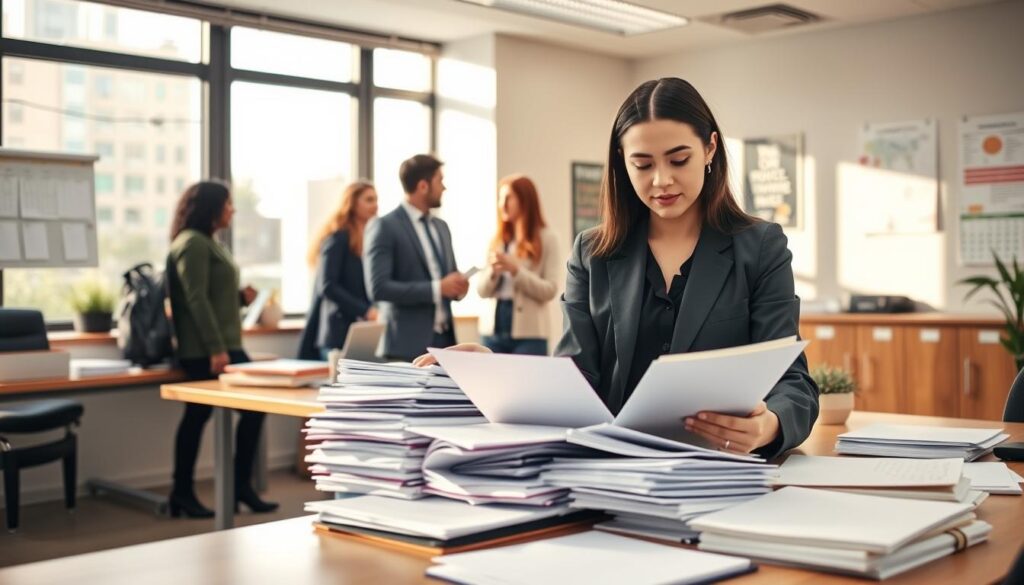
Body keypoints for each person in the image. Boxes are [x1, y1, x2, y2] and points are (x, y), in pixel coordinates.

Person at [416, 78, 818, 458]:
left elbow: (793, 383)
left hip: (719, 468)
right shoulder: (593, 252)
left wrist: (770, 425)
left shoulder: (760, 246)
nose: (662, 180)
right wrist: (494, 373)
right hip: (612, 471)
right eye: (642, 165)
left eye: (679, 159)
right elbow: (575, 380)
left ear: (711, 148)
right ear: (621, 163)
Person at [166, 180, 278, 518]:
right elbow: (195, 299)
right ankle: (185, 492)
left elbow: (212, 298)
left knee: (239, 411)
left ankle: (233, 487)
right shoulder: (192, 244)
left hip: (224, 346)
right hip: (208, 350)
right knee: (199, 415)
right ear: (211, 208)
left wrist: (238, 300)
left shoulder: (209, 243)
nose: (232, 210)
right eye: (228, 204)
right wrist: (216, 348)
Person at [363, 154, 468, 361]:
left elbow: (448, 278)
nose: (444, 188)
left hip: (445, 344)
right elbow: (378, 287)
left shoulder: (442, 227)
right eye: (440, 180)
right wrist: (437, 288)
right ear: (423, 186)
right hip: (405, 347)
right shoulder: (385, 226)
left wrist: (458, 288)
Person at [477, 175, 559, 355]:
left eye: (508, 198)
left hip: (531, 334)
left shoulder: (547, 238)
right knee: (490, 383)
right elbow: (482, 291)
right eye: (500, 198)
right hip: (493, 329)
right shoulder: (496, 240)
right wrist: (493, 272)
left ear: (525, 200)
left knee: (527, 384)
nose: (502, 204)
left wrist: (516, 271)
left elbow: (550, 290)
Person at [298, 181, 379, 361]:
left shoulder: (369, 240)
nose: (376, 205)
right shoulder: (338, 239)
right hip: (337, 334)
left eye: (376, 200)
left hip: (360, 334)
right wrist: (366, 310)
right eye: (369, 200)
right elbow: (327, 286)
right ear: (352, 203)